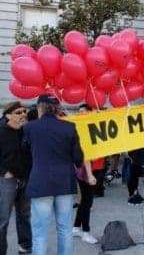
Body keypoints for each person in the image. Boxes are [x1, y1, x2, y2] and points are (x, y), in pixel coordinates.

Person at [23, 94, 84, 255]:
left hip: (40, 182)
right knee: (65, 229)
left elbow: (24, 156)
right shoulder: (69, 127)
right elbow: (78, 159)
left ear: (39, 108)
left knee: (40, 232)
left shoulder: (29, 127)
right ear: (57, 109)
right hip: (64, 183)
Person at [0, 102, 32, 255]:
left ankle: (25, 246)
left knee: (24, 214)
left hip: (24, 179)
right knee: (3, 218)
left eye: (24, 111)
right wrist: (4, 171)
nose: (23, 115)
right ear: (8, 116)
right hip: (7, 181)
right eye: (19, 112)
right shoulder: (1, 131)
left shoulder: (25, 131)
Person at [72, 104, 100, 244]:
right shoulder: (82, 129)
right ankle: (86, 232)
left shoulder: (93, 125)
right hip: (86, 170)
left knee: (85, 201)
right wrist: (89, 174)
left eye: (83, 111)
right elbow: (86, 154)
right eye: (79, 111)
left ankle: (76, 227)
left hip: (96, 167)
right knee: (87, 202)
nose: (81, 114)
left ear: (91, 112)